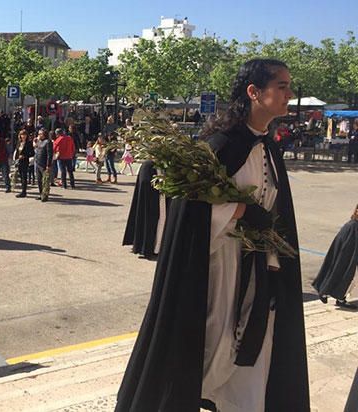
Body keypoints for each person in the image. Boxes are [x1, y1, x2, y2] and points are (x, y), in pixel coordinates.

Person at [116, 59, 309, 411]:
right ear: (254, 92)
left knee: (255, 357)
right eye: (281, 86)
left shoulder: (269, 146)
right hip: (219, 272)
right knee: (210, 353)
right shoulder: (220, 145)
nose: (289, 94)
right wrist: (241, 211)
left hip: (257, 272)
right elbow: (189, 209)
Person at [312, 204, 358, 309]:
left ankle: (334, 295)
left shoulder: (351, 225)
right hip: (349, 245)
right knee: (348, 273)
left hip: (346, 244)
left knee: (339, 269)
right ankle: (336, 296)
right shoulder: (353, 227)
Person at [122, 160, 168, 259]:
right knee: (154, 219)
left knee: (160, 219)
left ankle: (155, 247)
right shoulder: (148, 166)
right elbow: (145, 184)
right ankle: (149, 247)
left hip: (160, 196)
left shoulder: (157, 165)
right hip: (155, 197)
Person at [34, 129, 53, 202]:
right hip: (38, 163)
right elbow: (36, 150)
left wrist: (48, 165)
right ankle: (41, 194)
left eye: (40, 134)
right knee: (39, 180)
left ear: (44, 134)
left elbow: (49, 154)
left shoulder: (48, 142)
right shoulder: (39, 142)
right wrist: (35, 142)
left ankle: (45, 195)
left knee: (45, 180)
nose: (39, 135)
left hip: (44, 164)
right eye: (38, 134)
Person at [14, 130, 34, 198]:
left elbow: (32, 153)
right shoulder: (19, 142)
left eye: (25, 135)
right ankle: (22, 190)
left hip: (25, 161)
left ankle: (24, 192)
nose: (23, 136)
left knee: (24, 176)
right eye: (22, 135)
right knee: (21, 176)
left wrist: (25, 156)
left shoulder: (29, 143)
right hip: (19, 161)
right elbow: (17, 151)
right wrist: (16, 158)